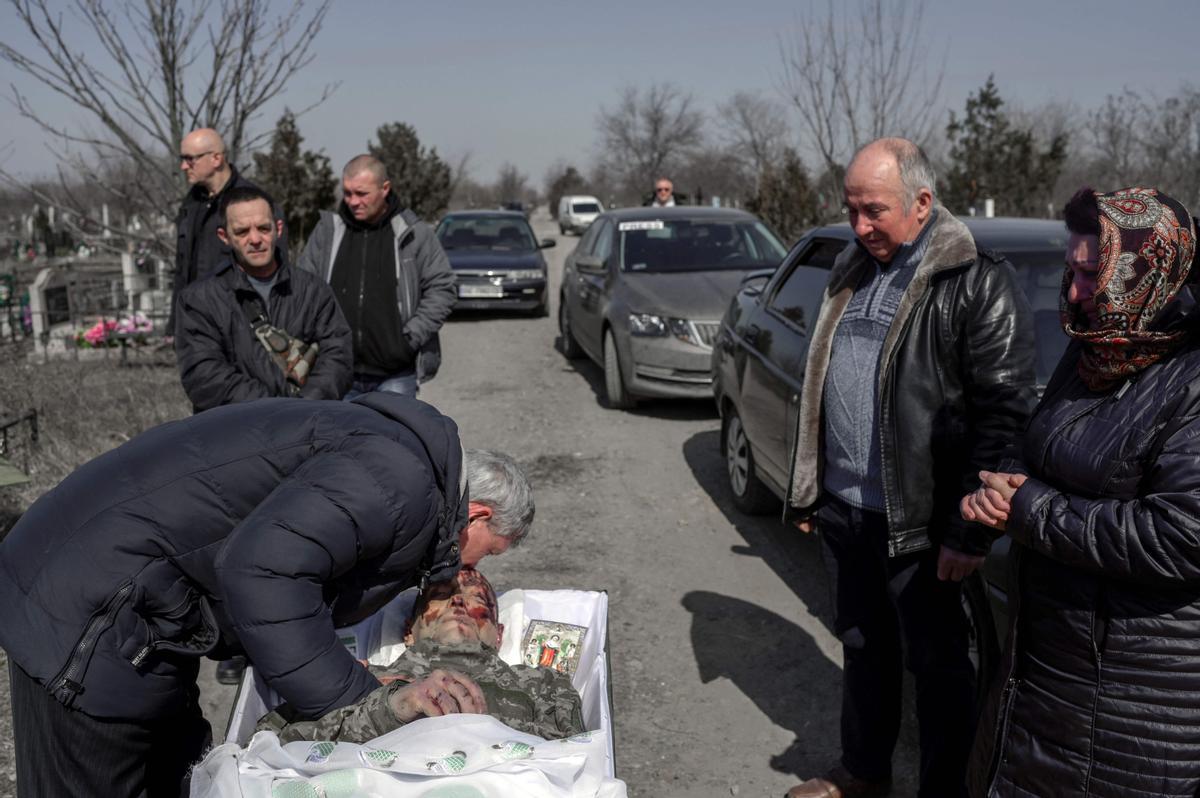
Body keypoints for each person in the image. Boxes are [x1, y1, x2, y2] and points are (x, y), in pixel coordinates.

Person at [0, 399, 534, 798]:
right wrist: (360, 697)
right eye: (490, 552)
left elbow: (295, 560)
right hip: (83, 610)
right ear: (479, 515)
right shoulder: (398, 484)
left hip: (143, 607)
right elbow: (263, 572)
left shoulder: (400, 466)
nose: (472, 570)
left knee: (183, 768)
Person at [784, 138, 1037, 798]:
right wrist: (815, 493)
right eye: (852, 210)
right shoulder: (854, 268)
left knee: (941, 670)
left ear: (922, 203)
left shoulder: (975, 279)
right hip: (848, 509)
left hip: (923, 524)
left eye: (875, 211)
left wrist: (969, 533)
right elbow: (824, 383)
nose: (861, 226)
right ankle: (864, 773)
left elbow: (1004, 411)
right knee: (864, 646)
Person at [961, 187, 1200, 798]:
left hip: (1132, 705)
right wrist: (998, 490)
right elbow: (1042, 440)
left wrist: (1032, 510)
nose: (1073, 291)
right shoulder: (1096, 346)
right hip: (1048, 669)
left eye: (1093, 272)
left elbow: (1182, 536)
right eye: (1071, 270)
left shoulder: (1191, 379)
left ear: (1145, 269)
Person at [258, 567, 585, 743]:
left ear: (499, 635)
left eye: (476, 599)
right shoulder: (360, 676)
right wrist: (388, 711)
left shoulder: (541, 683)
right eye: (441, 595)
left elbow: (576, 759)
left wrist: (482, 731)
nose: (458, 602)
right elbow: (267, 743)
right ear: (408, 631)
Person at [174, 185, 352, 414]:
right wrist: (273, 410)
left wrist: (305, 406)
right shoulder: (197, 301)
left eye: (263, 228)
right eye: (242, 231)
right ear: (224, 236)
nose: (255, 239)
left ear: (278, 229)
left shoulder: (314, 291)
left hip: (307, 427)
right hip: (235, 435)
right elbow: (204, 376)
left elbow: (338, 357)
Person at [296, 155, 456, 398]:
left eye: (362, 193)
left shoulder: (413, 233)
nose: (353, 201)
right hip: (337, 372)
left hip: (395, 373)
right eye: (347, 193)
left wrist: (410, 338)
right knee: (341, 437)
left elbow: (442, 288)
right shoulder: (328, 233)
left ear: (385, 189)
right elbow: (304, 288)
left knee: (393, 436)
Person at [172, 127, 283, 333]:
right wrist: (176, 325)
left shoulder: (252, 201)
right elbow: (183, 267)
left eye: (190, 159)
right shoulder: (191, 203)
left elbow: (275, 265)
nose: (183, 166)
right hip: (195, 322)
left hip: (239, 325)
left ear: (216, 159)